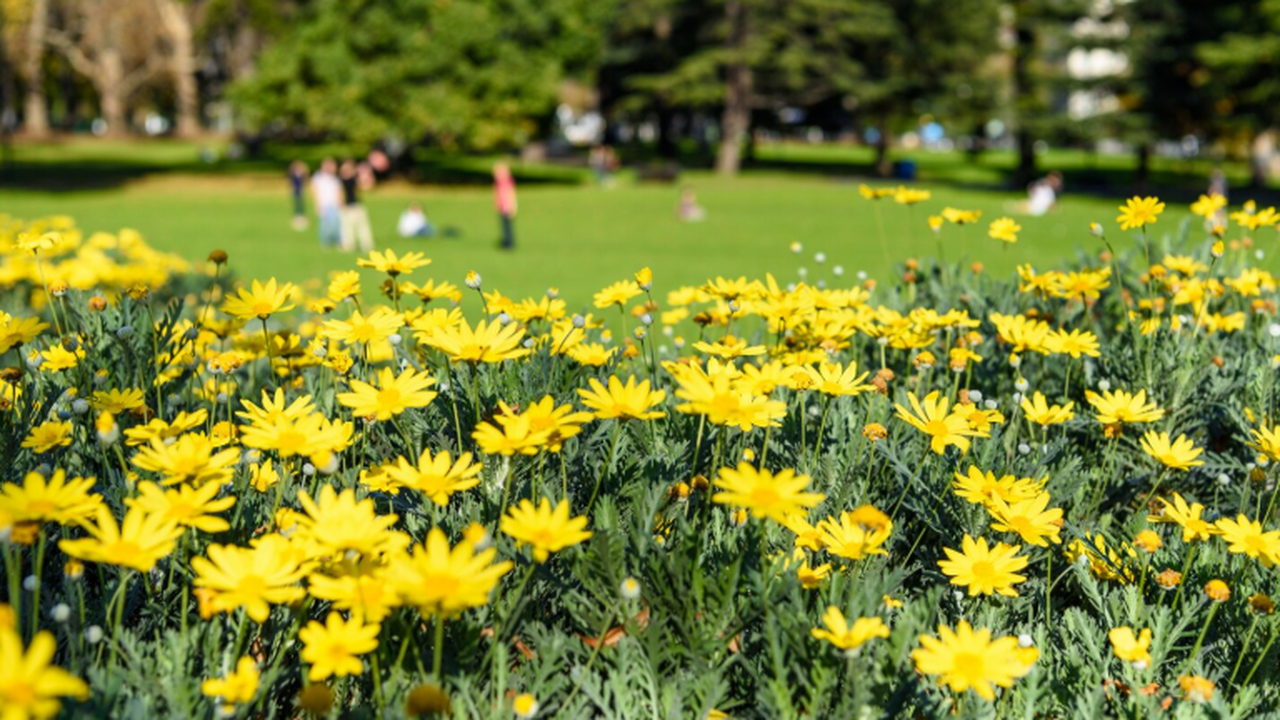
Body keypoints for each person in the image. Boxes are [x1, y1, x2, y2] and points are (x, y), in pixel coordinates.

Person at [339, 159, 375, 252]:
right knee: (347, 228)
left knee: (362, 227)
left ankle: (367, 245)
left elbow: (367, 187)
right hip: (347, 207)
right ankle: (349, 245)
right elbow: (340, 194)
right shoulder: (340, 181)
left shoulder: (356, 179)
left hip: (356, 206)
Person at [311, 158, 343, 249]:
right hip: (324, 204)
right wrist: (317, 204)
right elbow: (315, 191)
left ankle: (338, 241)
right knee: (325, 225)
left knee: (337, 224)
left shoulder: (335, 178)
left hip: (334, 204)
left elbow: (339, 191)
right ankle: (325, 242)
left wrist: (341, 203)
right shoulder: (318, 177)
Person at [494, 162, 518, 249]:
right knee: (504, 226)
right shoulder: (499, 183)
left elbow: (511, 195)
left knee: (508, 227)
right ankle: (506, 242)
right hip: (502, 207)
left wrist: (513, 207)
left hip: (507, 207)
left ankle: (509, 243)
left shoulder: (506, 182)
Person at [288, 160, 309, 230]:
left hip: (300, 191)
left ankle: (302, 215)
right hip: (295, 191)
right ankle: (297, 215)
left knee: (301, 203)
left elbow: (306, 172)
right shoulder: (293, 175)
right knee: (296, 204)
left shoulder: (302, 175)